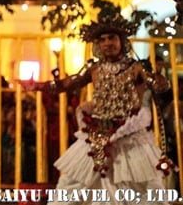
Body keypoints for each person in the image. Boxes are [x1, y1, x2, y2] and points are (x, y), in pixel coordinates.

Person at [23, 14, 172, 204]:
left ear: (122, 41)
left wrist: (159, 81)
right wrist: (38, 85)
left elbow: (158, 84)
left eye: (112, 38)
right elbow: (68, 83)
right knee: (71, 186)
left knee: (145, 190)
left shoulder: (136, 68)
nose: (107, 43)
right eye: (102, 40)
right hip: (95, 136)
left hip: (130, 139)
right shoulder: (93, 69)